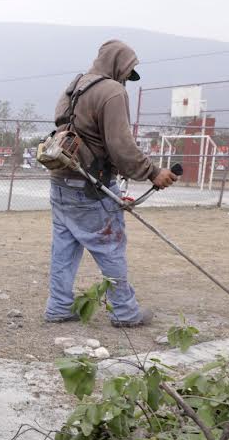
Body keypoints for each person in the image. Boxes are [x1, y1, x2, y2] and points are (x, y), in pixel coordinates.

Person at [44, 40, 178, 327]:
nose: (126, 80)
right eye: (128, 74)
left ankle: (57, 307)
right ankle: (125, 312)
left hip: (61, 181)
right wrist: (152, 172)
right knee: (110, 248)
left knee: (64, 249)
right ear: (119, 65)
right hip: (93, 186)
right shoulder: (112, 91)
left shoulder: (74, 86)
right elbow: (121, 146)